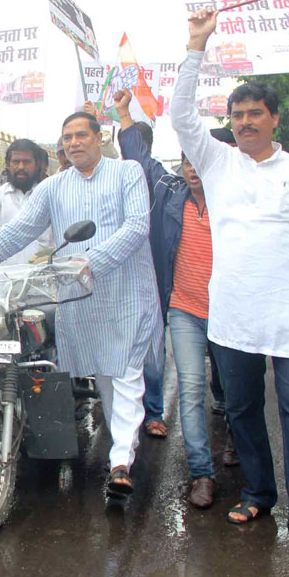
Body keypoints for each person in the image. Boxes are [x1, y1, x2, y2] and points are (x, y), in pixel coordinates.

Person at [174, 9, 289, 562]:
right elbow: (180, 115)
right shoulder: (219, 163)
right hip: (233, 319)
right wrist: (197, 45)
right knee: (243, 410)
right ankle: (258, 494)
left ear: (275, 119)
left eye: (255, 114)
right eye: (238, 114)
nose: (245, 122)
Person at [0, 111, 162, 498]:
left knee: (124, 372)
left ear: (99, 137)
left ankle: (121, 459)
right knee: (106, 375)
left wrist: (91, 260)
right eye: (67, 138)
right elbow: (20, 230)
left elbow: (138, 226)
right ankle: (121, 449)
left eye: (80, 135)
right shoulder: (54, 187)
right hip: (79, 296)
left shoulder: (128, 174)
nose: (73, 143)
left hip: (125, 289)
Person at [124, 104, 238, 509]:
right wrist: (124, 115)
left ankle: (237, 444)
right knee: (190, 390)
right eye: (186, 160)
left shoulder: (243, 202)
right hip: (185, 310)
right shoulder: (169, 194)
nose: (192, 169)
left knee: (236, 395)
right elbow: (140, 159)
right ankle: (201, 473)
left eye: (200, 160)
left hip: (233, 312)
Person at [114, 91, 170, 439]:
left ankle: (154, 410)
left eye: (135, 143)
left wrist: (123, 114)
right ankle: (123, 414)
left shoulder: (161, 180)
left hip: (154, 275)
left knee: (152, 348)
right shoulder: (113, 176)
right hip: (118, 274)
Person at [0, 139, 53, 265]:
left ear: (37, 164)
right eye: (16, 162)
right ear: (8, 164)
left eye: (26, 162)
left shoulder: (49, 195)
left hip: (40, 277)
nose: (21, 167)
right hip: (4, 278)